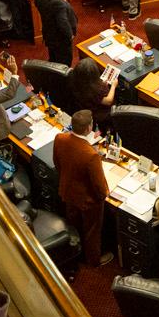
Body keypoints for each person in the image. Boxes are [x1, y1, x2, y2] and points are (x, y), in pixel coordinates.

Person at [53, 109, 113, 267]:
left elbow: (57, 163)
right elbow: (100, 188)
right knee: (92, 232)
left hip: (67, 191)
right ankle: (94, 260)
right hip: (88, 201)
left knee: (74, 223)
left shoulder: (60, 138)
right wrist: (105, 195)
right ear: (88, 128)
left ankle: (75, 249)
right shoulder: (90, 155)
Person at [33, 0, 79, 66]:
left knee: (53, 58)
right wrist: (70, 35)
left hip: (49, 35)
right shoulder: (58, 3)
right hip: (60, 40)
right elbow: (63, 23)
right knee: (64, 64)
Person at [65, 56, 116, 125]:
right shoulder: (96, 89)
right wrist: (113, 86)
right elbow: (108, 101)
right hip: (98, 113)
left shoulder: (72, 78)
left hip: (82, 106)